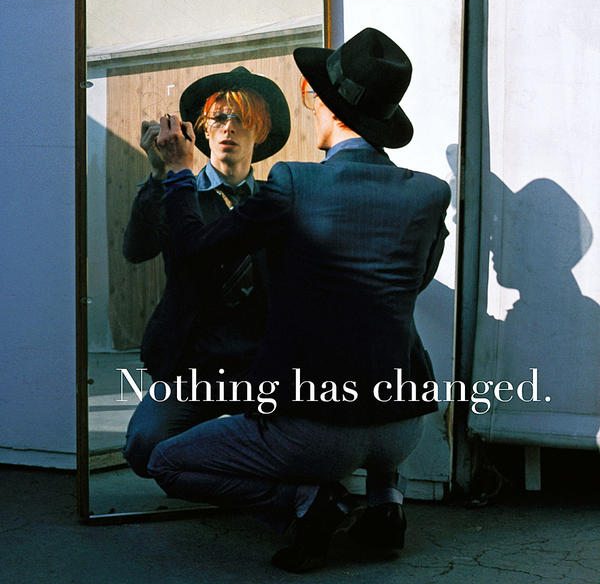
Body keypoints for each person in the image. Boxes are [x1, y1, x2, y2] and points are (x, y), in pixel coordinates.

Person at [147, 28, 451, 572]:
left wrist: (175, 176)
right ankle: (387, 501)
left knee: (165, 461)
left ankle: (309, 502)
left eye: (312, 99)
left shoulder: (293, 183)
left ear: (329, 110)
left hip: (315, 430)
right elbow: (414, 282)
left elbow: (195, 250)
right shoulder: (430, 192)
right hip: (402, 428)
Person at [122, 67, 290, 477]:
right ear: (203, 130)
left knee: (302, 444)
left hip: (257, 364)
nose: (229, 127)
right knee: (143, 446)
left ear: (260, 131)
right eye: (219, 118)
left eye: (243, 118)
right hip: (191, 363)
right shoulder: (179, 195)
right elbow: (136, 250)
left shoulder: (276, 202)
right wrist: (158, 175)